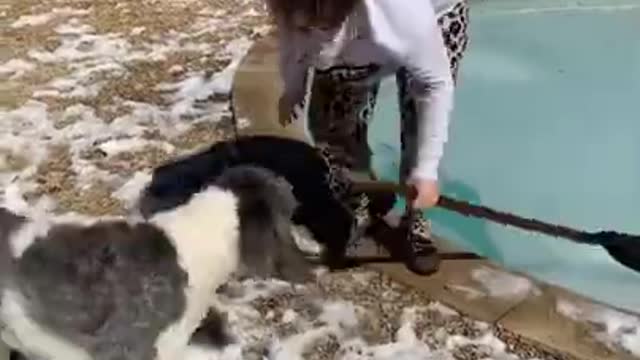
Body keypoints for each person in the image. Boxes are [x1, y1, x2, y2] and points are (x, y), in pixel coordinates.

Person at [266, 0, 470, 274]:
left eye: (320, 27)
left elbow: (435, 84)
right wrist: (294, 83)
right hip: (358, 25)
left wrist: (427, 170)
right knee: (333, 126)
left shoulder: (402, 12)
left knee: (418, 122)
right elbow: (289, 33)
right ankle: (358, 201)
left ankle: (415, 217)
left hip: (435, 13)